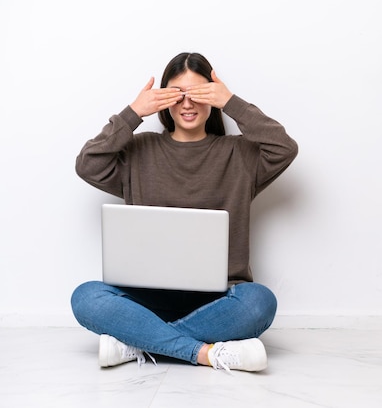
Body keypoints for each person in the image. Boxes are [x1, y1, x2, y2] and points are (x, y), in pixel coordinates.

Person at [70, 52, 298, 372]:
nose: (188, 105)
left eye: (199, 94)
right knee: (86, 297)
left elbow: (284, 148)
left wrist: (232, 102)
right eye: (178, 95)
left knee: (260, 302)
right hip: (145, 298)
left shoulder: (241, 155)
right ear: (163, 100)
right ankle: (205, 353)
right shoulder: (139, 150)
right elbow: (88, 164)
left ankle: (136, 341)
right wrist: (133, 113)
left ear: (213, 97)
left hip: (219, 299)